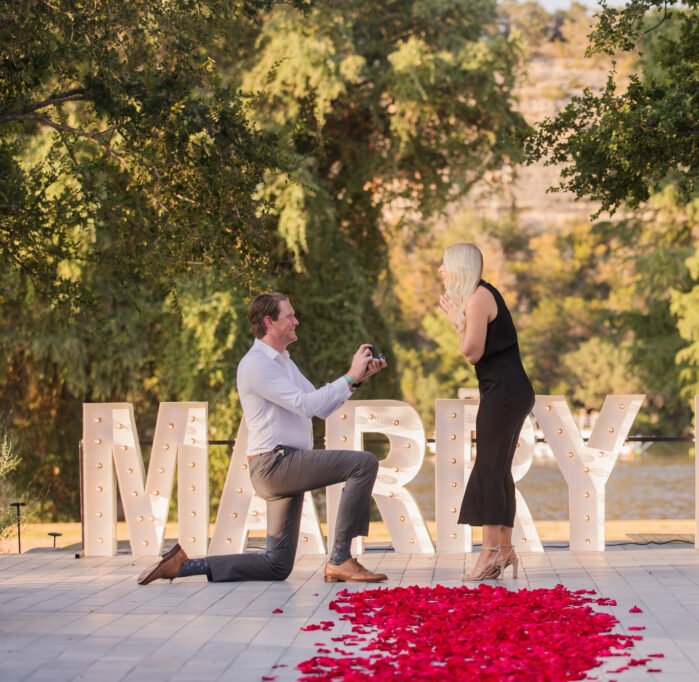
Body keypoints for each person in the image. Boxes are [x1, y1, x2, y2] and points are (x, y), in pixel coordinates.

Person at [138, 292, 388, 584]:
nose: (297, 321)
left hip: (284, 464)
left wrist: (356, 379)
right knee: (364, 463)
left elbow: (319, 407)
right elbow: (306, 405)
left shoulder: (282, 362)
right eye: (290, 315)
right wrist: (348, 375)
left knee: (277, 566)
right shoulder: (257, 364)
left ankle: (183, 566)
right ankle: (340, 559)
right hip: (276, 464)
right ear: (270, 322)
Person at [438, 243, 535, 581]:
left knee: (489, 468)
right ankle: (505, 550)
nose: (441, 271)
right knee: (498, 469)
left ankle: (489, 553)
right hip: (509, 390)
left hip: (504, 393)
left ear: (459, 268)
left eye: (445, 265)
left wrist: (456, 321)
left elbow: (472, 352)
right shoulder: (482, 295)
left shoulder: (478, 298)